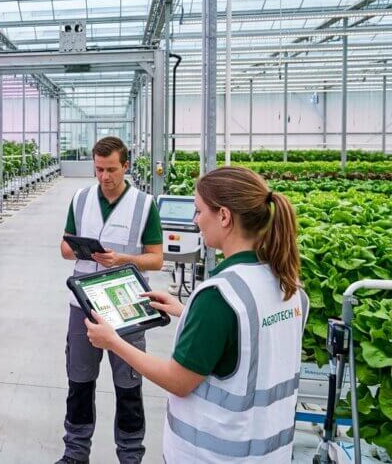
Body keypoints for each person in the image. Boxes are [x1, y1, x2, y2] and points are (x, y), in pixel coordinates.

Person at [85, 166, 308, 463]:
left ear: (224, 217)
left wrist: (113, 341)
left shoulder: (219, 297)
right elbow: (247, 340)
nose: (195, 221)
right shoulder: (288, 285)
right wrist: (186, 311)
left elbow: (177, 380)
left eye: (199, 211)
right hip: (270, 452)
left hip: (214, 455)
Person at [57, 137, 163, 464]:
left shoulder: (144, 204)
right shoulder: (81, 198)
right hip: (84, 306)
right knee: (79, 382)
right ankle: (75, 454)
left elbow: (156, 259)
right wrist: (85, 250)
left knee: (128, 387)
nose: (104, 177)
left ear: (126, 166)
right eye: (99, 169)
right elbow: (64, 249)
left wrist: (123, 260)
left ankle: (130, 457)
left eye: (112, 169)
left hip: (126, 304)